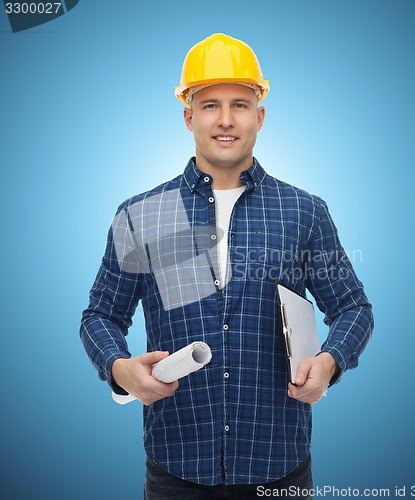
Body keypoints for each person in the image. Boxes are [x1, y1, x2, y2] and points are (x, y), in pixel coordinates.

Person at [80, 33, 374, 499]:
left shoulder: (303, 212)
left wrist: (329, 362)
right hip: (176, 465)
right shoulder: (142, 214)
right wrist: (119, 368)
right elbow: (100, 315)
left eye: (239, 103)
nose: (225, 119)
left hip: (278, 464)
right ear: (188, 115)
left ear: (259, 115)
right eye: (210, 104)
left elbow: (354, 309)